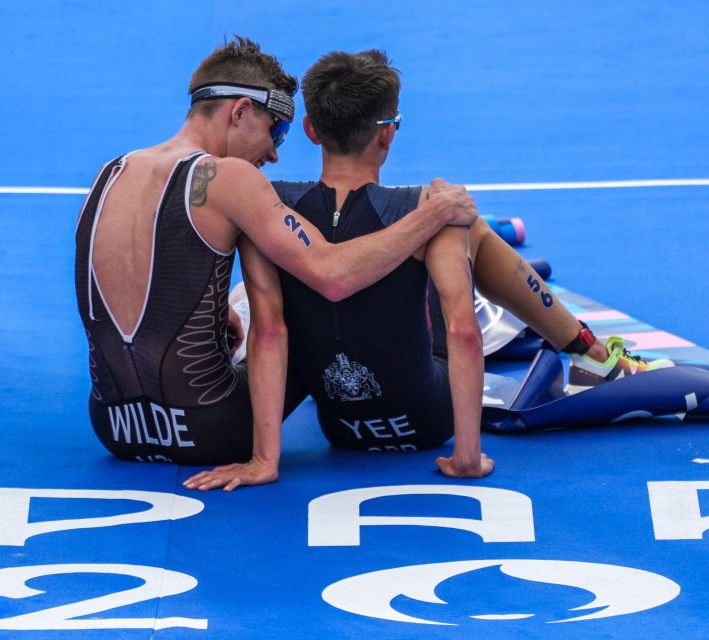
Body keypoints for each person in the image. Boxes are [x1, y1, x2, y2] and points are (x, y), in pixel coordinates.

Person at [183, 50, 672, 491]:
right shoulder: (424, 205)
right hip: (424, 421)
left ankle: (577, 341)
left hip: (339, 427)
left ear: (309, 130)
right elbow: (462, 330)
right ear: (388, 132)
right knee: (462, 224)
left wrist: (263, 458)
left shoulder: (267, 203)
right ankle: (588, 350)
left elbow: (270, 329)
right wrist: (466, 456)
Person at [75, 38, 478, 466]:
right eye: (276, 131)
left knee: (248, 304)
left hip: (114, 428)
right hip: (211, 429)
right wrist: (434, 215)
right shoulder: (228, 177)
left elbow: (125, 278)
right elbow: (332, 275)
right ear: (240, 111)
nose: (273, 153)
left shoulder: (112, 171)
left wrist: (215, 317)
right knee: (303, 320)